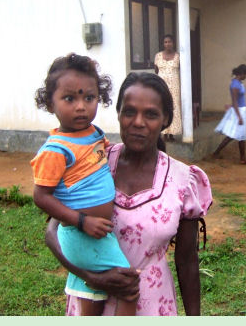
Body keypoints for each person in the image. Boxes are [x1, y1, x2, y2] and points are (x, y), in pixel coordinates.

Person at [45, 72, 213, 316]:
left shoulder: (183, 180)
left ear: (165, 119)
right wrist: (93, 277)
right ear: (118, 114)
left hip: (152, 305)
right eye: (129, 112)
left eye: (151, 114)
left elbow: (187, 260)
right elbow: (53, 232)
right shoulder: (91, 164)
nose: (138, 122)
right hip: (91, 299)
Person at [31, 53, 136, 316]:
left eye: (89, 98)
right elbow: (41, 196)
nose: (81, 107)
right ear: (50, 103)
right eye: (70, 99)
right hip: (81, 234)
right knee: (128, 285)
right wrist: (82, 221)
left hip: (96, 234)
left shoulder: (93, 134)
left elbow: (99, 156)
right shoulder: (56, 150)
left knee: (93, 297)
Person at [212, 64, 246, 165]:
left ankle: (242, 158)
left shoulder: (238, 82)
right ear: (241, 73)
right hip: (239, 112)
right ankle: (217, 153)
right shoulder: (235, 85)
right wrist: (239, 116)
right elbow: (235, 101)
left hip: (240, 110)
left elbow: (236, 100)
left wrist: (232, 107)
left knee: (240, 136)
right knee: (234, 135)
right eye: (245, 74)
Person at [154, 34, 182, 142]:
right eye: (165, 42)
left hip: (174, 87)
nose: (167, 44)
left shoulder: (178, 56)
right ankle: (164, 132)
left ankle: (171, 133)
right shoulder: (158, 56)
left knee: (174, 107)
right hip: (162, 87)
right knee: (162, 107)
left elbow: (181, 70)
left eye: (169, 41)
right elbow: (156, 71)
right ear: (163, 44)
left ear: (173, 43)